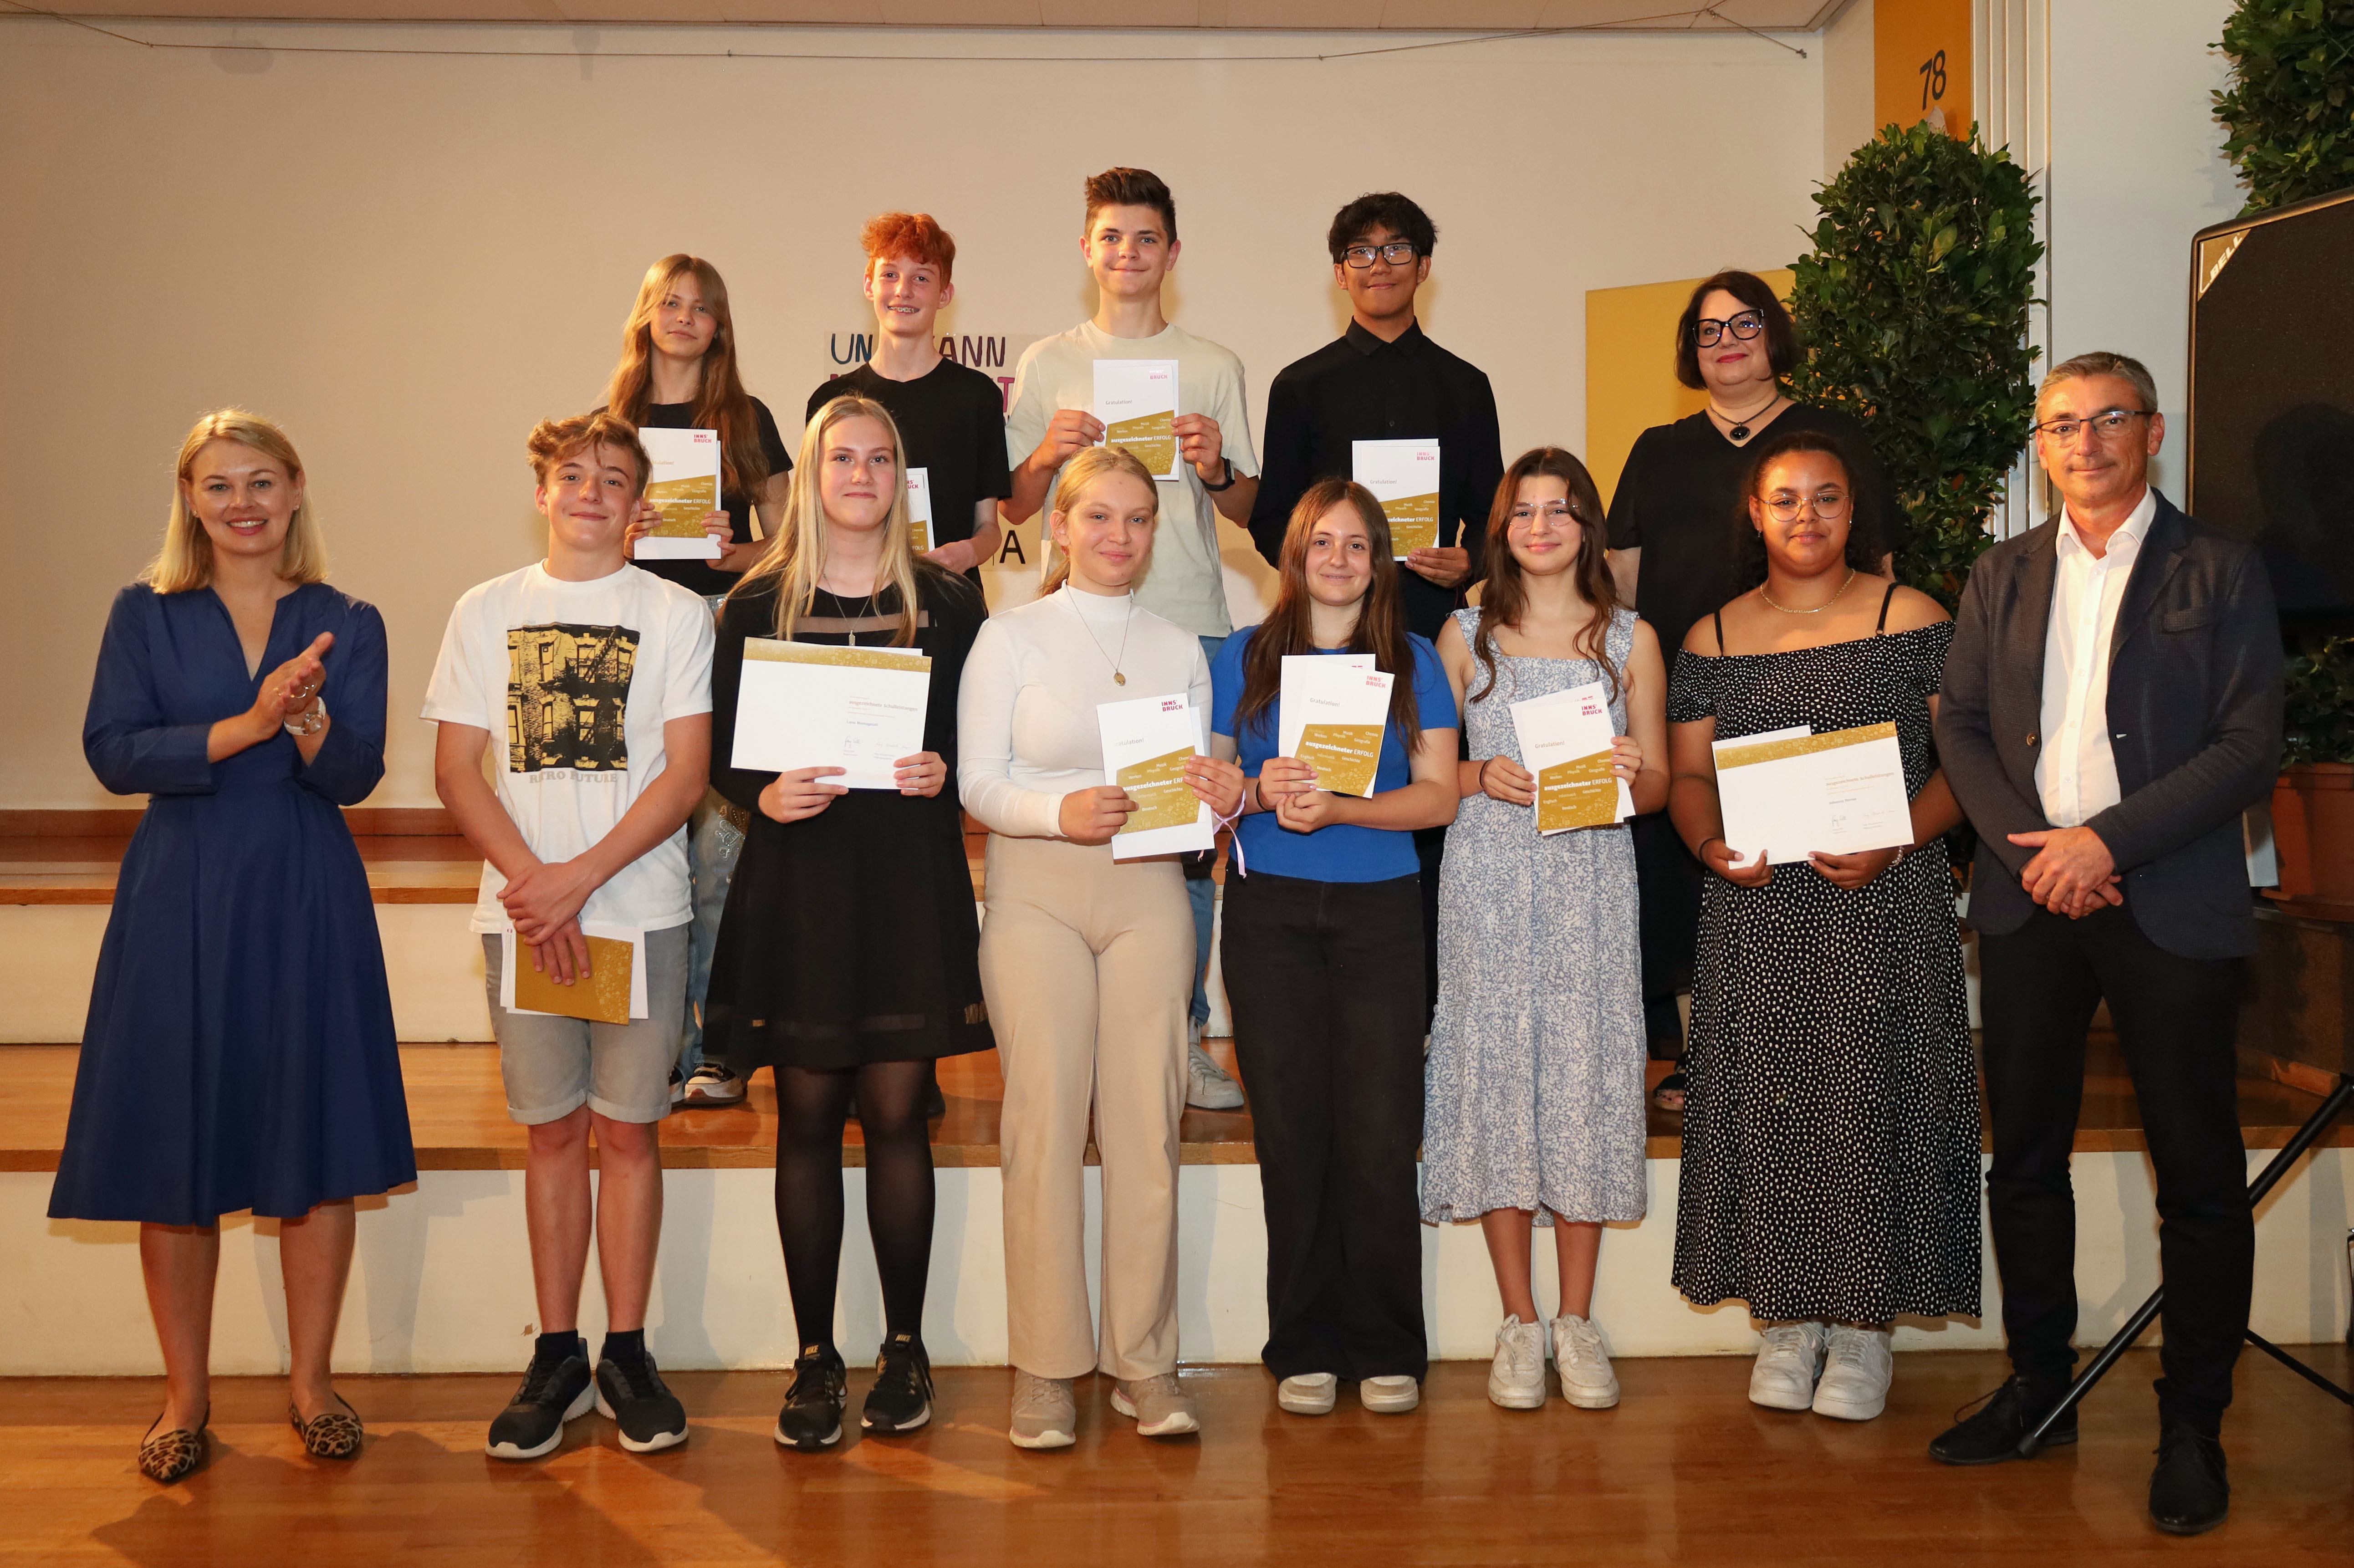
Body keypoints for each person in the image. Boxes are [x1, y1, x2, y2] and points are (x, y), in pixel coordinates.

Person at [1932, 352, 2282, 1536]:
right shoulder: (2001, 574)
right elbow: (1963, 723)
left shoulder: (2220, 570)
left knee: (2196, 1173)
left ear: (2154, 431)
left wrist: (2105, 842)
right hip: (2033, 902)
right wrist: (2038, 851)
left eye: (2109, 419)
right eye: (2063, 424)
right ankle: (2042, 1391)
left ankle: (2194, 1426)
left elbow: (2245, 747)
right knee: (2023, 1157)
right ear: (2042, 443)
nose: (2085, 441)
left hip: (2167, 901)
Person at [50, 409, 415, 1485]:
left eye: (262, 480)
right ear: (191, 499)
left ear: (297, 490)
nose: (242, 501)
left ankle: (312, 1384)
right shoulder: (144, 613)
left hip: (304, 891)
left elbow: (351, 774)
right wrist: (248, 723)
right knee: (178, 1149)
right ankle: (185, 1396)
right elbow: (114, 750)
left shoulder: (347, 617)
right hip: (183, 893)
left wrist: (301, 721)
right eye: (220, 484)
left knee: (312, 1147)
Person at [1665, 428, 1977, 1425]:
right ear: (1753, 515)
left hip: (1879, 901)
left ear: (1854, 510)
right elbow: (1681, 776)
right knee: (1775, 1104)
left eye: (1826, 497)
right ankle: (1788, 1318)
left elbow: (1962, 764)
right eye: (1784, 498)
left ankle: (1864, 1325)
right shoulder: (1708, 637)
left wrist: (1896, 839)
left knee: (1875, 1092)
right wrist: (1709, 842)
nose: (1805, 516)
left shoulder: (1912, 614)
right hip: (1757, 910)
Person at [703, 396, 991, 1450]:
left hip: (907, 882)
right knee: (809, 1119)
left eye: (879, 457)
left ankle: (905, 1346)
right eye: (842, 457)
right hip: (801, 885)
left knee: (901, 1114)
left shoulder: (952, 602)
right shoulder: (752, 605)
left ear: (899, 477)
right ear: (813, 475)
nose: (860, 471)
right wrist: (760, 792)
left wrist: (947, 767)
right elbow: (726, 749)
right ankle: (815, 1354)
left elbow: (978, 737)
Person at [425, 411, 713, 1462]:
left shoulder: (678, 615)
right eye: (573, 475)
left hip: (636, 913)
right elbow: (458, 769)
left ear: (640, 506)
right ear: (543, 491)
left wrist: (576, 884)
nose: (592, 491)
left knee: (628, 1132)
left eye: (614, 479)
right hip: (524, 914)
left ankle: (627, 1350)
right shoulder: (485, 609)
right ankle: (557, 1350)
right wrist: (534, 888)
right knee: (554, 1132)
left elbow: (684, 775)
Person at [958, 444, 1245, 1450]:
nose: (1117, 536)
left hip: (1147, 894)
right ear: (1063, 525)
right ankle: (1045, 1365)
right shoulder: (1009, 634)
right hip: (1036, 890)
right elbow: (976, 782)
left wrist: (1217, 799)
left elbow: (1193, 794)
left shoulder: (1178, 646)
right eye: (1098, 518)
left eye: (1135, 519)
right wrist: (1055, 808)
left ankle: (1144, 1360)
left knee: (1144, 1128)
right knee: (1041, 1126)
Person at [1605, 271, 1903, 1109]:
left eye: (1743, 324)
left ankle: (1825, 1052)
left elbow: (1876, 562)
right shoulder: (1656, 451)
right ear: (1688, 351)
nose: (1726, 341)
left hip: (1806, 672)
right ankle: (1712, 1054)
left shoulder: (1830, 436)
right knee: (1696, 865)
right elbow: (1620, 582)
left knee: (1810, 860)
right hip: (1689, 685)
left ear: (1773, 334)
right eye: (1707, 331)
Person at [1001, 166, 1259, 1113]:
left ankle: (1179, 1035)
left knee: (1180, 839)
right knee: (1083, 822)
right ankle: (1086, 1031)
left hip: (1184, 619)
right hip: (1079, 625)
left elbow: (1248, 510)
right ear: (1087, 249)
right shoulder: (1048, 361)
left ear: (1172, 253)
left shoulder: (1215, 364)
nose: (1128, 254)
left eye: (1146, 238)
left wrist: (1216, 464)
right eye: (1111, 237)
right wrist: (1045, 453)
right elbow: (1015, 505)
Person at [1423, 447, 1668, 1413]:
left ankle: (1577, 1318)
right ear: (1500, 527)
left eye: (1558, 510)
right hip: (1485, 877)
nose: (1538, 527)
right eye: (1521, 511)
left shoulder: (1629, 638)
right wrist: (1480, 775)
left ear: (1586, 525)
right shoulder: (1460, 633)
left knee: (1578, 1079)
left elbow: (1652, 788)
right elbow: (1426, 776)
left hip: (1588, 881)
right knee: (1496, 1081)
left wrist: (1627, 764)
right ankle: (1517, 1321)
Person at [1209, 478, 1458, 1417]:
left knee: (1381, 1132)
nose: (1340, 559)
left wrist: (1342, 807)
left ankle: (1388, 1341)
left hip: (1381, 910)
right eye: (1324, 541)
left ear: (1379, 558)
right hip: (1269, 913)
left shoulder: (1417, 658)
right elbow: (1210, 786)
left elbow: (1436, 795)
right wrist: (1255, 787)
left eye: (1358, 544)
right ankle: (1302, 1342)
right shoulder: (1241, 655)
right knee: (1293, 1131)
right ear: (1296, 553)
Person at [1248, 190, 1504, 1032]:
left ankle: (1422, 1021)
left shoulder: (1467, 386)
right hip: (1323, 647)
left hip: (1426, 636)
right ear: (1338, 273)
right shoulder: (1300, 386)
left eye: (1397, 250)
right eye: (1361, 253)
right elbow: (1270, 524)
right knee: (1323, 796)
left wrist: (1468, 558)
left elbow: (1488, 528)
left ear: (1424, 267)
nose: (1379, 266)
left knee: (1426, 815)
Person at [608, 253, 793, 1108]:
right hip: (634, 649)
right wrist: (620, 535)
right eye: (669, 303)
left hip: (721, 641)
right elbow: (576, 552)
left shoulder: (745, 419)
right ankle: (653, 1047)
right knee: (643, 855)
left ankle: (720, 1048)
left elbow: (792, 548)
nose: (684, 318)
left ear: (720, 325)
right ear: (645, 315)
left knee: (720, 864)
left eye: (702, 307)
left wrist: (735, 553)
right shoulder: (607, 427)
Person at [805, 212, 1014, 587]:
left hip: (950, 596)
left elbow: (989, 528)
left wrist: (965, 554)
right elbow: (812, 517)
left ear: (944, 294)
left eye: (921, 278)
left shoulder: (977, 396)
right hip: (852, 599)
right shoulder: (832, 401)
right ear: (869, 285)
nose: (903, 290)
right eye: (889, 275)